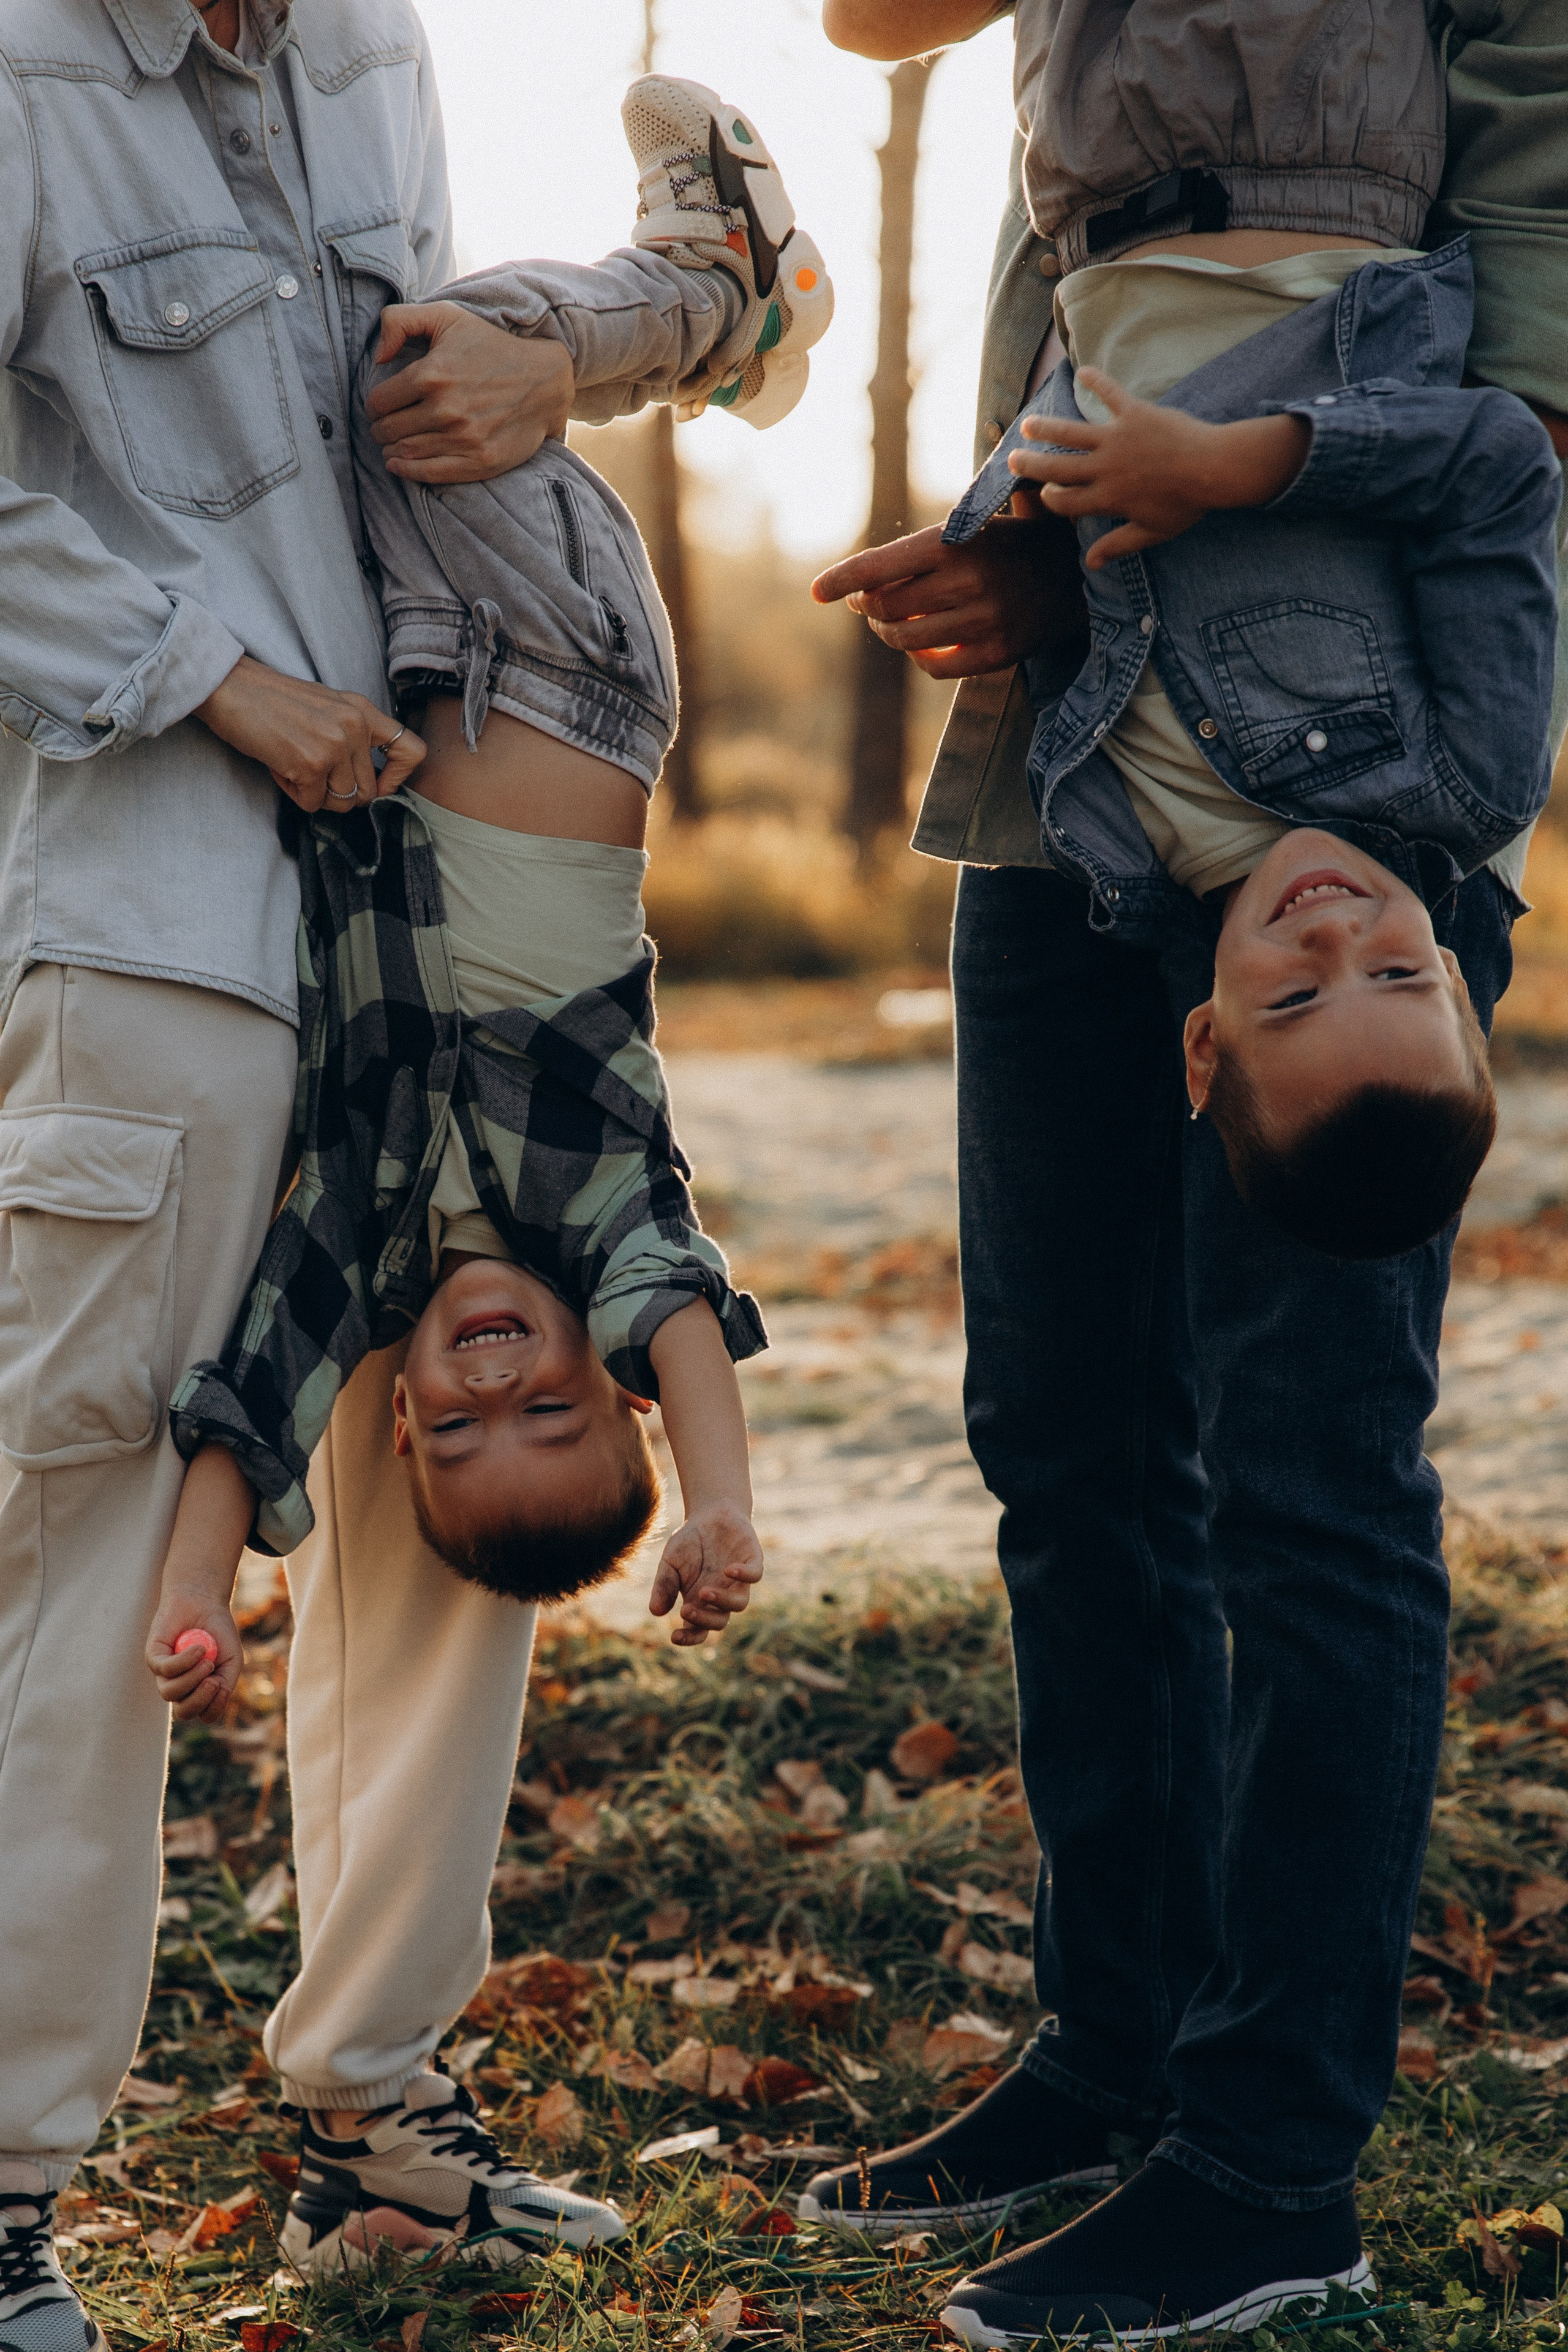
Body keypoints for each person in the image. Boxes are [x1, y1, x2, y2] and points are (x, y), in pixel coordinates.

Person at [804, 0, 1564, 2343]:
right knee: (1061, 1438)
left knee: (1306, 1484)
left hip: (1346, 760)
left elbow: (1520, 353)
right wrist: (1026, 561)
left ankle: (1264, 2165)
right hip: (1072, 751)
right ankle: (1114, 2046)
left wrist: (1225, 489)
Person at [0, 9, 758, 2343]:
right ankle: (0, 2180)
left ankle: (376, 2117)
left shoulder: (363, 37)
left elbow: (408, 415)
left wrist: (557, 364)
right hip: (162, 911)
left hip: (422, 882)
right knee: (97, 1544)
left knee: (455, 1521)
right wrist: (216, 680)